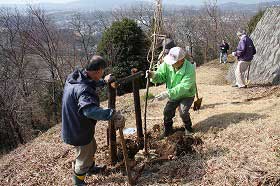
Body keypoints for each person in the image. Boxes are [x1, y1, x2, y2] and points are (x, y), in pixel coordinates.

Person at [61, 55, 125, 186]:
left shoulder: (76, 77)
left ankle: (90, 169)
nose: (103, 74)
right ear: (97, 71)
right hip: (78, 130)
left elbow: (89, 82)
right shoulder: (83, 90)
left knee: (92, 147)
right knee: (83, 158)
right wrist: (112, 114)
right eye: (102, 72)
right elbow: (90, 111)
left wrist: (103, 81)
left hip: (76, 125)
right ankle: (78, 182)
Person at [147, 47, 196, 137]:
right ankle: (168, 130)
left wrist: (167, 93)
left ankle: (188, 128)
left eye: (173, 62)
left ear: (181, 61)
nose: (171, 64)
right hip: (173, 94)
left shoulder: (190, 69)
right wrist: (153, 75)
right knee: (167, 111)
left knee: (183, 111)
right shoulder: (167, 64)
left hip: (187, 94)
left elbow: (184, 87)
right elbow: (161, 75)